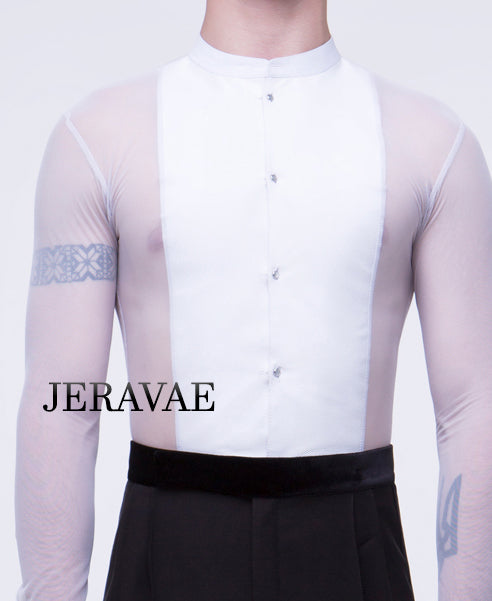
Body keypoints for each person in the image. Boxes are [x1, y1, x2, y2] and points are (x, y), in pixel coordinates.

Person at [14, 0, 492, 599]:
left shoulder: (434, 143)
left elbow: (472, 405)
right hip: (168, 546)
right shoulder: (97, 137)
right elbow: (64, 401)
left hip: (352, 541)